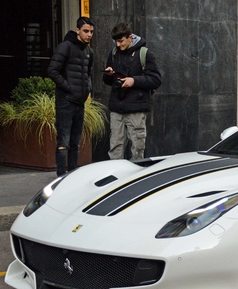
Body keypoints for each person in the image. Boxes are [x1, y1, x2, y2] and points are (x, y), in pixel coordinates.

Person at [103, 22, 162, 160]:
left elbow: (156, 80)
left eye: (121, 41)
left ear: (130, 37)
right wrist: (108, 75)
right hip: (116, 108)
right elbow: (107, 82)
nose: (118, 45)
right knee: (115, 148)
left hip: (136, 109)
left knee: (137, 150)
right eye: (116, 41)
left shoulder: (144, 54)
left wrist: (133, 81)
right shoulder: (113, 53)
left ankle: (136, 178)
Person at [47, 17, 95, 177]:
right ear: (78, 31)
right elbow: (52, 70)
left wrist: (87, 88)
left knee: (75, 142)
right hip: (65, 102)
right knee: (64, 142)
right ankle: (60, 177)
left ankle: (72, 176)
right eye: (86, 31)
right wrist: (69, 88)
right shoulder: (66, 47)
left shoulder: (89, 52)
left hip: (79, 103)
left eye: (91, 32)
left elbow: (88, 73)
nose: (89, 35)